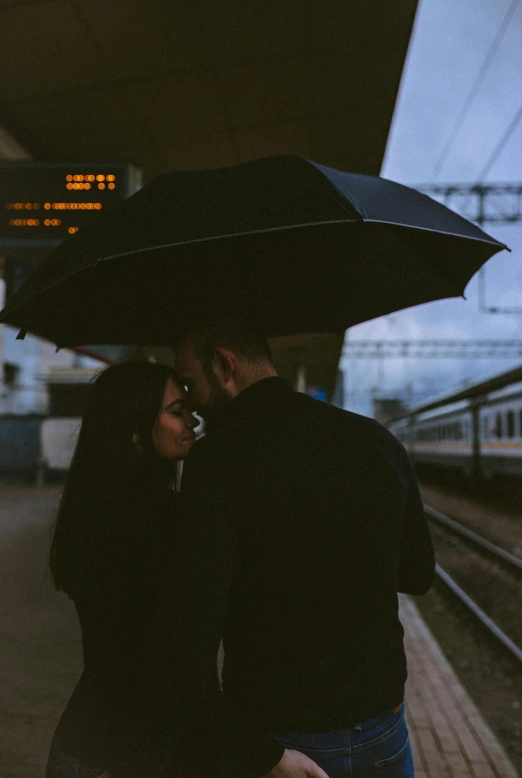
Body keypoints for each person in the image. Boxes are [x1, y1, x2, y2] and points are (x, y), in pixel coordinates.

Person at [104, 314, 435, 778]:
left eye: (188, 382)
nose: (193, 406)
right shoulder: (377, 441)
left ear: (223, 366)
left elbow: (191, 632)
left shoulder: (218, 461)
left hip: (280, 742)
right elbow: (417, 574)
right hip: (383, 728)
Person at [45, 362, 201, 778]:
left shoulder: (94, 512)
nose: (192, 420)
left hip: (85, 739)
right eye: (177, 410)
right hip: (126, 753)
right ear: (135, 432)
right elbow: (160, 659)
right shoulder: (159, 520)